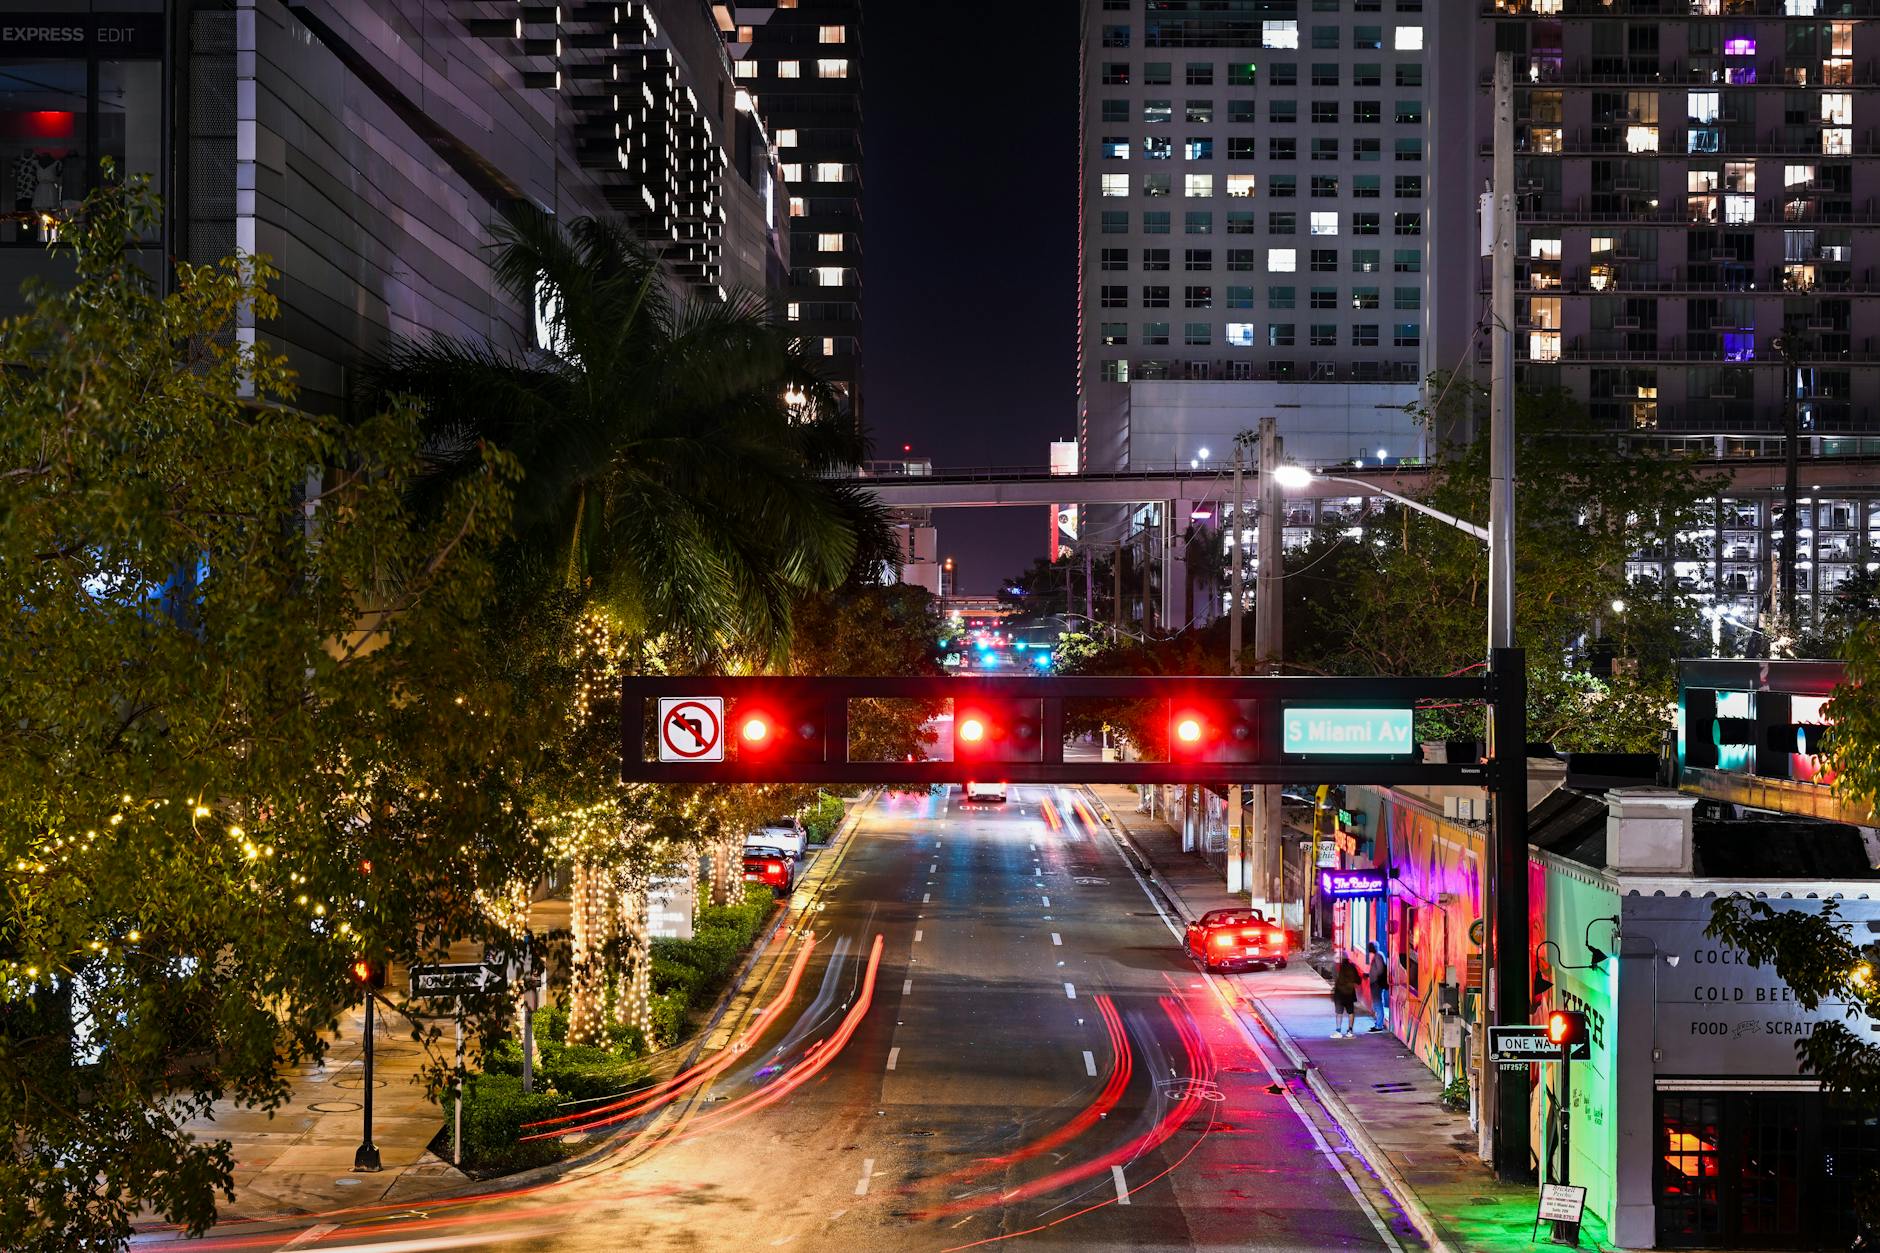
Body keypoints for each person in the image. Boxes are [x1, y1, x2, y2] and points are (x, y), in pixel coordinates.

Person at [1330, 954, 1361, 1038]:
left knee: (1339, 1013)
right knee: (1350, 1012)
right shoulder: (1352, 967)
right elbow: (1358, 980)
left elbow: (1334, 978)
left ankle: (1338, 1031)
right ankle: (1350, 1031)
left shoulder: (1337, 967)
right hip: (1349, 993)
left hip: (1339, 993)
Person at [1365, 941, 1390, 1033]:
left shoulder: (1378, 956)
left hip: (1377, 984)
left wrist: (1374, 979)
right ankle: (1378, 1023)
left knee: (1378, 1004)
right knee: (1377, 1004)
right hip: (1376, 983)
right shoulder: (1377, 956)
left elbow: (1380, 970)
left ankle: (1379, 1025)